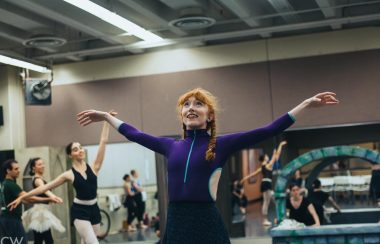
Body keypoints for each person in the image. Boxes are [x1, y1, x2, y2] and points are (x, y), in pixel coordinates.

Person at [76, 88, 338, 243]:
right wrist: (106, 118)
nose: (191, 108)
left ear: (209, 115)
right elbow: (134, 133)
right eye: (186, 105)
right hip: (177, 219)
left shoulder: (222, 144)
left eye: (198, 104)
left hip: (205, 220)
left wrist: (304, 105)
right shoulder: (170, 146)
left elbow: (268, 129)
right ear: (181, 115)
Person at [8, 115, 113, 244]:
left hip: (95, 209)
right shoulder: (68, 174)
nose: (79, 150)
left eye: (80, 147)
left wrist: (107, 120)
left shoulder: (95, 167)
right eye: (75, 149)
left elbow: (103, 141)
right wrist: (20, 198)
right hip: (80, 211)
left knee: (87, 241)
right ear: (70, 155)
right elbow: (44, 187)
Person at [0, 159, 60, 244]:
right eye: (16, 169)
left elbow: (25, 200)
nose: (19, 171)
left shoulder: (4, 184)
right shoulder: (11, 185)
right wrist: (49, 198)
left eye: (19, 168)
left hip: (6, 219)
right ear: (8, 171)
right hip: (12, 220)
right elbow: (29, 197)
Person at [239, 141, 287, 226]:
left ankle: (280, 216)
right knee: (267, 202)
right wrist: (280, 145)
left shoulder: (262, 167)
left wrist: (244, 179)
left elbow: (252, 174)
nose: (268, 157)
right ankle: (266, 220)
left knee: (273, 199)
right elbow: (277, 156)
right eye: (267, 156)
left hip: (265, 184)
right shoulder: (268, 165)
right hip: (266, 184)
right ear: (265, 158)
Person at [22, 158, 65, 244]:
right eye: (39, 164)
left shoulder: (39, 178)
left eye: (43, 163)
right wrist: (54, 197)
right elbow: (44, 189)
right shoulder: (38, 180)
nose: (43, 166)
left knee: (40, 239)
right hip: (40, 212)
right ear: (34, 168)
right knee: (46, 239)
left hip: (43, 210)